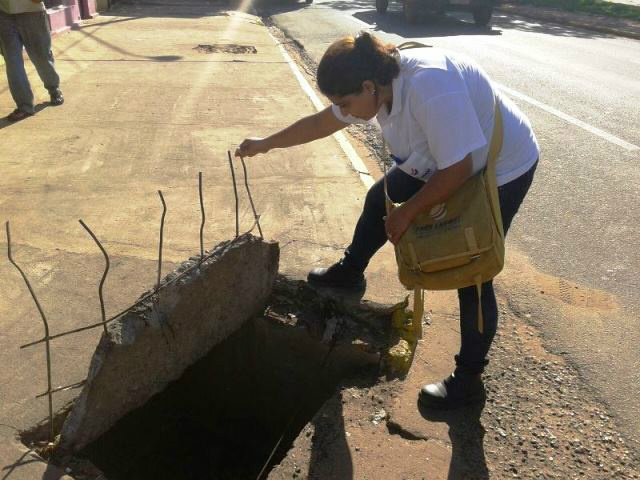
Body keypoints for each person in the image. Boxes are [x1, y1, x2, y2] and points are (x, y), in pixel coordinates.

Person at [236, 32, 539, 409]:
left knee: (472, 270)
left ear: (368, 87)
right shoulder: (377, 81)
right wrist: (267, 142)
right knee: (377, 200)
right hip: (441, 153)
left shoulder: (430, 85)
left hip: (499, 165)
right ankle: (350, 271)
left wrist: (409, 213)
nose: (344, 112)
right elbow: (321, 123)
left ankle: (468, 381)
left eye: (346, 103)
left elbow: (459, 168)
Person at [0, 0, 64, 122]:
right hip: (4, 14)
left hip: (32, 12)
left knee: (42, 57)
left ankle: (53, 88)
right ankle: (24, 106)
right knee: (12, 62)